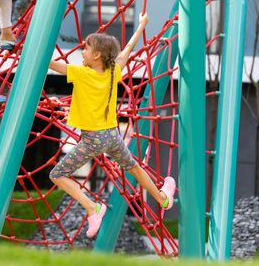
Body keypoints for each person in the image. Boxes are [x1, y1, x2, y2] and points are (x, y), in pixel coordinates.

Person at [48, 13, 176, 238]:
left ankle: (92, 208)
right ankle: (162, 198)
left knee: (57, 175)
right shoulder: (113, 72)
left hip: (93, 139)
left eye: (86, 49)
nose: (83, 51)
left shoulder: (81, 73)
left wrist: (32, 52)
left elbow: (52, 65)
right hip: (112, 135)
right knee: (133, 167)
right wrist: (142, 26)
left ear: (96, 55)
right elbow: (127, 50)